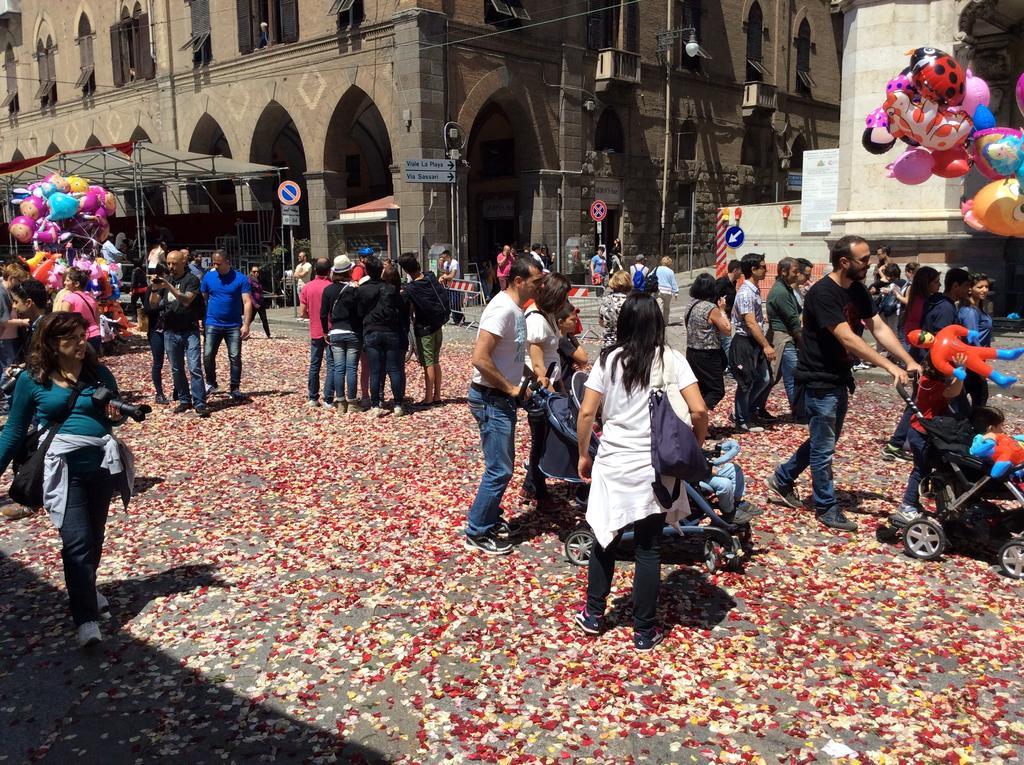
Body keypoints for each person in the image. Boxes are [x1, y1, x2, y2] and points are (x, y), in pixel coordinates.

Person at [574, 292, 708, 652]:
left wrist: (583, 454)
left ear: (625, 323)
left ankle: (594, 614)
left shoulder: (609, 361)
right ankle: (644, 631)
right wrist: (692, 445)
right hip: (655, 467)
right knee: (649, 549)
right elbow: (698, 410)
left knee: (605, 539)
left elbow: (587, 414)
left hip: (615, 462)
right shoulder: (672, 359)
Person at [766, 235, 921, 532]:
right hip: (818, 379)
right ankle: (826, 506)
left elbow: (877, 326)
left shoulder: (858, 290)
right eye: (863, 259)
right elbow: (847, 337)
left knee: (823, 442)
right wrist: (888, 365)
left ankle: (782, 478)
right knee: (823, 449)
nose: (870, 264)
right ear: (844, 262)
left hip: (839, 377)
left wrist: (907, 359)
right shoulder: (822, 293)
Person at [0, 312, 135, 647]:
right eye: (71, 339)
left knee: (94, 538)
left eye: (81, 335)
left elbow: (110, 421)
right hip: (63, 471)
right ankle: (86, 619)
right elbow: (14, 431)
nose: (81, 343)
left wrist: (117, 418)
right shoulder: (34, 381)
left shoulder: (99, 373)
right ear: (51, 345)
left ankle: (86, 588)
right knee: (75, 542)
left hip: (101, 466)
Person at [464, 256, 544, 555]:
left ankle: (488, 516)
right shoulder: (501, 309)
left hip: (501, 397)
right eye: (536, 281)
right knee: (499, 469)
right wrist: (511, 388)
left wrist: (527, 375)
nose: (541, 286)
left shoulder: (517, 310)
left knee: (501, 465)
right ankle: (477, 530)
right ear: (518, 281)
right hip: (490, 397)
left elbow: (509, 354)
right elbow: (480, 358)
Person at [892, 352, 964, 527]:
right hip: (924, 433)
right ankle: (907, 505)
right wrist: (961, 372)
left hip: (919, 430)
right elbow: (954, 391)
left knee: (923, 468)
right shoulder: (934, 386)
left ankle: (914, 502)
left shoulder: (924, 379)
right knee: (921, 470)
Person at [881, 265, 940, 462]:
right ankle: (896, 444)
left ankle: (899, 443)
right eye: (935, 282)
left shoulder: (919, 299)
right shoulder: (921, 302)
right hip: (920, 357)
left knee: (917, 401)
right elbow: (914, 332)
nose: (938, 285)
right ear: (926, 283)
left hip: (918, 355)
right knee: (917, 401)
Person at [524, 272, 572, 504]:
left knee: (543, 439)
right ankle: (536, 488)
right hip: (541, 389)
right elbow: (537, 364)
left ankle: (531, 485)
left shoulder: (548, 315)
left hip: (552, 383)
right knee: (541, 439)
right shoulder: (535, 319)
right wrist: (552, 395)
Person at [153, 250, 208, 418]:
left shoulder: (191, 280)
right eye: (168, 263)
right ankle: (184, 399)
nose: (171, 267)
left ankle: (199, 402)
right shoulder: (166, 280)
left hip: (189, 330)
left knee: (194, 368)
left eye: (174, 263)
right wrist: (155, 289)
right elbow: (153, 304)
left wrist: (167, 286)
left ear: (183, 262)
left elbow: (186, 299)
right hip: (171, 330)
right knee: (176, 368)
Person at [729, 253, 775, 432]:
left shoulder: (754, 290)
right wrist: (766, 345)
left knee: (764, 379)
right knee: (746, 382)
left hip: (753, 341)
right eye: (763, 267)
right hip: (745, 342)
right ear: (753, 270)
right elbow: (750, 322)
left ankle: (746, 411)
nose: (766, 270)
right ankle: (741, 419)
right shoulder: (746, 293)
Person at [357, 255, 407, 417]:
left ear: (367, 271)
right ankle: (398, 404)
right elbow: (401, 310)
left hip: (371, 330)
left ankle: (376, 404)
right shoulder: (391, 290)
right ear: (381, 271)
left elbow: (359, 312)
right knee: (394, 369)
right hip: (391, 331)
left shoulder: (362, 290)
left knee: (375, 370)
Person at [201, 250, 253, 402]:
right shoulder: (209, 277)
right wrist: (200, 318)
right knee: (208, 354)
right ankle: (211, 382)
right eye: (214, 263)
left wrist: (246, 325)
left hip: (233, 324)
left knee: (235, 356)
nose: (216, 266)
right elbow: (203, 300)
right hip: (212, 322)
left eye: (219, 263)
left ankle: (235, 387)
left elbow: (247, 302)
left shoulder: (240, 278)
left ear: (227, 262)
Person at [399, 253, 447, 407]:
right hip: (438, 325)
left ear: (406, 270)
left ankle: (428, 398)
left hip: (425, 328)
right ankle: (437, 395)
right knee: (435, 360)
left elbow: (408, 308)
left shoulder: (411, 288)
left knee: (428, 362)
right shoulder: (430, 277)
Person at [320, 255, 362, 414]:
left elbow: (323, 314)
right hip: (352, 332)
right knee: (351, 368)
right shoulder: (354, 290)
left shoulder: (328, 290)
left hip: (336, 332)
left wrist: (325, 331)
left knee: (339, 368)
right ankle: (352, 403)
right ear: (349, 271)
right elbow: (359, 313)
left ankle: (341, 403)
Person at [684, 273, 732, 411]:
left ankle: (700, 423)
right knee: (717, 390)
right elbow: (727, 330)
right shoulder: (710, 308)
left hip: (692, 352)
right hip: (708, 353)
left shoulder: (691, 305)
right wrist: (722, 310)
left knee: (701, 389)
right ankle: (698, 414)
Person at [765, 257, 802, 415]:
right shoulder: (780, 291)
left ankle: (754, 407)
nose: (797, 275)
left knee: (772, 378)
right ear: (783, 271)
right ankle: (800, 413)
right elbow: (792, 320)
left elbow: (798, 312)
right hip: (783, 338)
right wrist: (803, 342)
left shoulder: (786, 289)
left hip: (787, 337)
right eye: (795, 271)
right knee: (793, 378)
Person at [299, 257, 335, 408]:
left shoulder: (307, 287)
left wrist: (312, 315)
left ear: (315, 270)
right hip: (331, 329)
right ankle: (328, 398)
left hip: (315, 329)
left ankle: (313, 397)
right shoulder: (332, 287)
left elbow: (302, 313)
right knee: (332, 364)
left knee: (315, 364)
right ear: (329, 270)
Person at [958, 272, 993, 409]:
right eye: (980, 287)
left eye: (986, 287)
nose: (984, 290)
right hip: (972, 362)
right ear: (970, 289)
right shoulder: (970, 312)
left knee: (976, 400)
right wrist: (980, 366)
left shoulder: (978, 308)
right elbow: (972, 340)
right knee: (979, 401)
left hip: (975, 361)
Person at [143, 264, 170, 404]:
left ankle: (179, 391)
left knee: (175, 363)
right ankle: (159, 393)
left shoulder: (171, 288)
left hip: (171, 329)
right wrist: (155, 290)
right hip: (156, 330)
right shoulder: (151, 289)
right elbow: (147, 309)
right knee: (157, 363)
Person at [59, 269, 102, 355]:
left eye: (67, 280)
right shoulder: (91, 298)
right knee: (91, 364)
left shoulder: (69, 298)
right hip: (95, 335)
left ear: (76, 284)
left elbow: (64, 320)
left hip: (79, 337)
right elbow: (97, 320)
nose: (64, 283)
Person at [716, 259, 742, 363]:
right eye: (741, 270)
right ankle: (728, 367)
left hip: (727, 317)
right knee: (727, 342)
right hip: (719, 317)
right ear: (735, 270)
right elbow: (714, 298)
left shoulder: (733, 283)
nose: (742, 273)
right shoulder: (722, 282)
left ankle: (725, 364)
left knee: (724, 342)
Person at [598, 270, 632, 348]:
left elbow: (601, 322)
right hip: (626, 344)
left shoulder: (605, 300)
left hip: (608, 344)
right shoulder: (631, 301)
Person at [556, 303, 588, 383]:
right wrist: (574, 339)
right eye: (572, 320)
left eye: (576, 319)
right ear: (561, 322)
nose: (576, 322)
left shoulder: (568, 336)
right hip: (565, 381)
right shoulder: (562, 340)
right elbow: (584, 359)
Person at [652, 256, 679, 325]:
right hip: (668, 291)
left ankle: (658, 322)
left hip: (659, 290)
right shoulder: (670, 271)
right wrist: (676, 292)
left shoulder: (656, 269)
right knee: (666, 308)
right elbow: (673, 282)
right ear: (669, 263)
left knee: (659, 306)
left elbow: (650, 275)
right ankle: (665, 322)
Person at [248, 266, 272, 339]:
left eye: (257, 272)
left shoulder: (258, 280)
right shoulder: (249, 280)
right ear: (251, 272)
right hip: (254, 303)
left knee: (264, 319)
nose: (256, 273)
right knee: (250, 319)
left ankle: (268, 334)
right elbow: (249, 293)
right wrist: (254, 303)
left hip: (260, 302)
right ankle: (242, 332)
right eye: (254, 272)